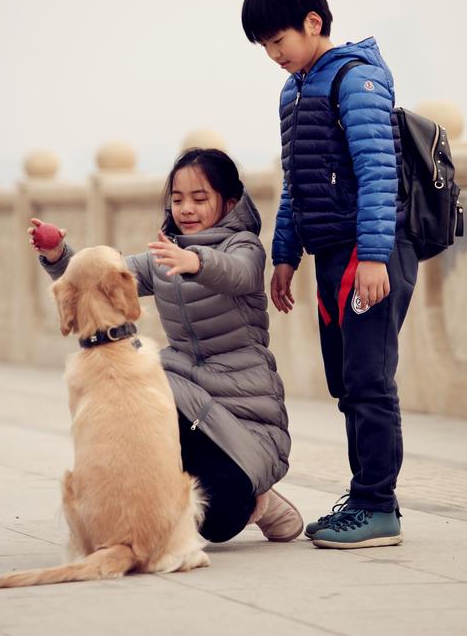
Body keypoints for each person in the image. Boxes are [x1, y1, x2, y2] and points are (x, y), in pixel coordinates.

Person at [30, 147, 303, 544]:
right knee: (131, 383)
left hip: (242, 414)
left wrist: (196, 262)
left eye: (199, 198)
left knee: (219, 523)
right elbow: (104, 278)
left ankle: (262, 497)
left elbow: (239, 274)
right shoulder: (163, 257)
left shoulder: (243, 246)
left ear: (229, 202)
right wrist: (58, 256)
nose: (186, 208)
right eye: (177, 199)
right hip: (184, 395)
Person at [241, 0, 418, 549]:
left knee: (369, 378)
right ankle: (363, 498)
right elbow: (296, 184)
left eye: (278, 40)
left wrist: (374, 257)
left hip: (370, 251)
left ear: (313, 22)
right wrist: (284, 254)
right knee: (347, 380)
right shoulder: (295, 90)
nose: (273, 55)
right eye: (265, 46)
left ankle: (378, 507)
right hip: (332, 253)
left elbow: (378, 173)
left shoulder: (356, 79)